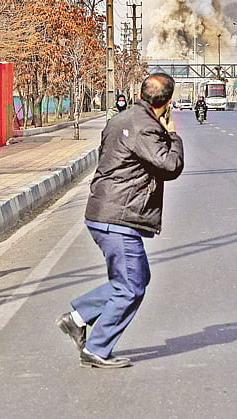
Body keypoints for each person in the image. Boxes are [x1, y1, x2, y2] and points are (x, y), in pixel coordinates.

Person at [56, 74, 184, 368]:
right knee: (131, 286)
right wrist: (173, 136)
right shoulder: (147, 128)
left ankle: (77, 318)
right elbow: (170, 165)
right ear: (166, 102)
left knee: (134, 279)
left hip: (102, 212)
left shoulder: (120, 119)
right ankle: (97, 348)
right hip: (119, 217)